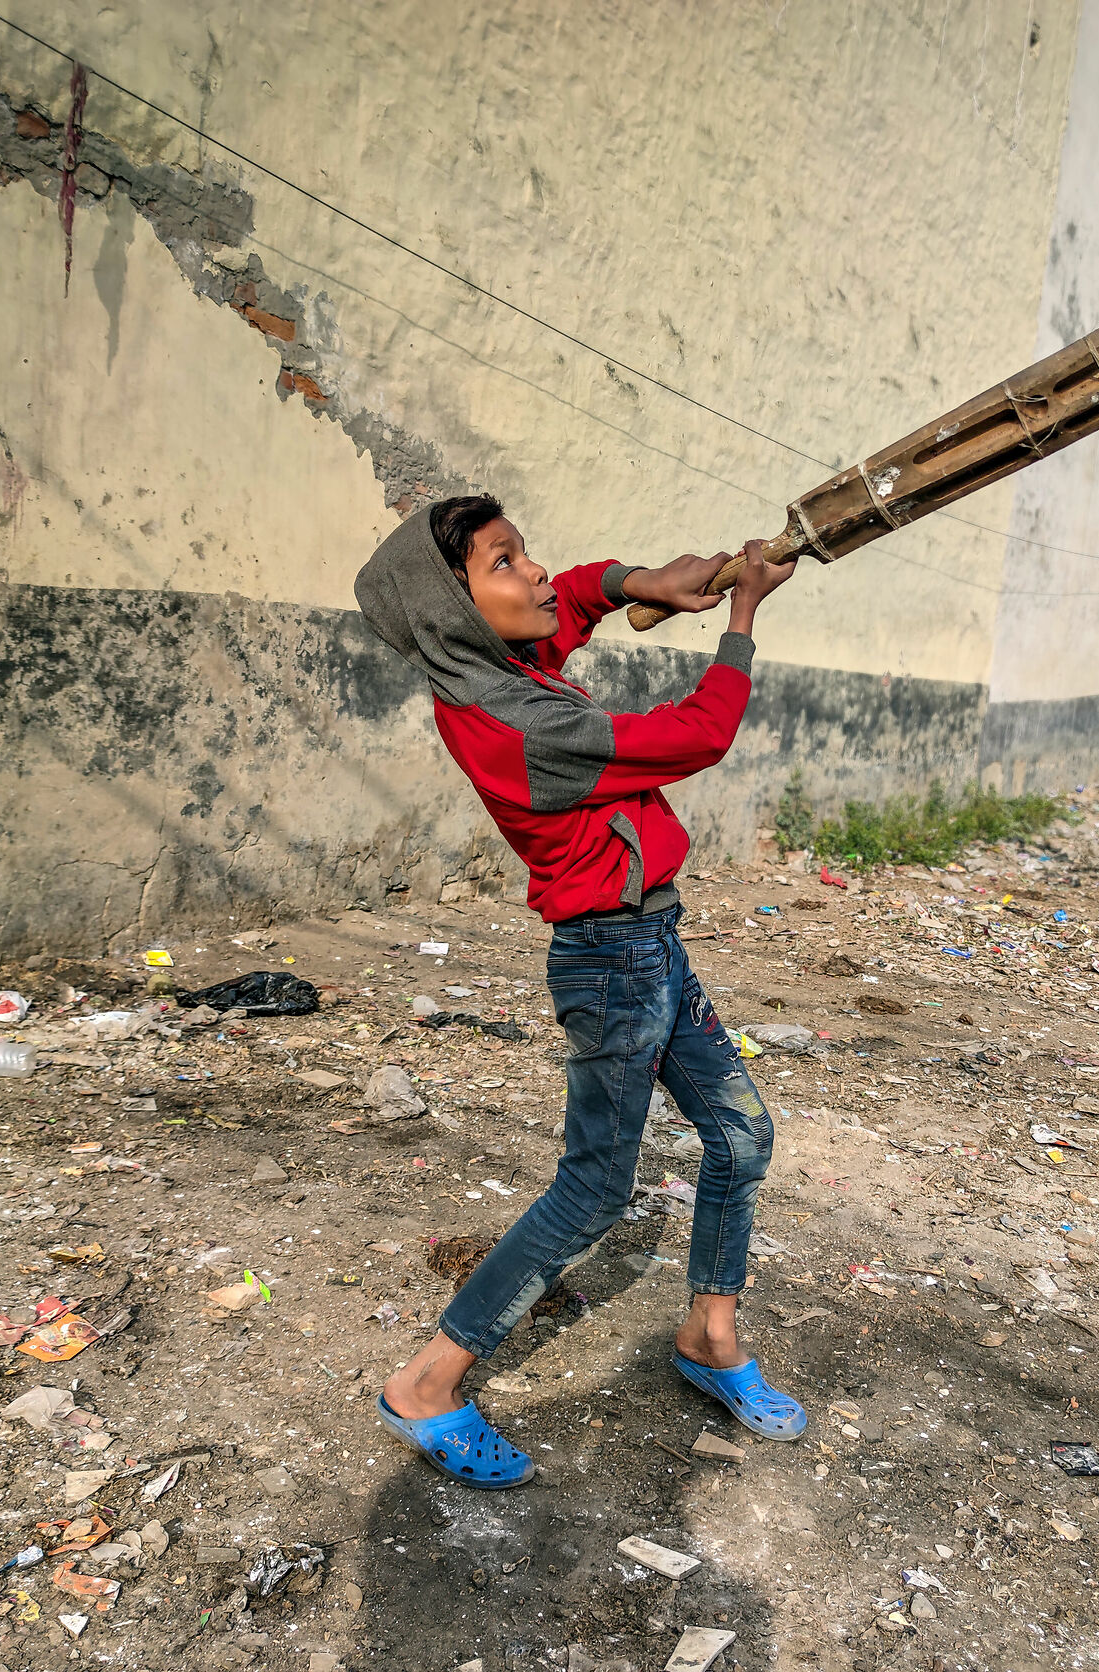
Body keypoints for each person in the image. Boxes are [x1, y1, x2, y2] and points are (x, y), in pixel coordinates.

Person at [352, 494, 806, 1488]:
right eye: (504, 563)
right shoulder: (521, 718)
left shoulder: (505, 667)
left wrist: (641, 583)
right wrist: (739, 621)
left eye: (524, 552)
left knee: (739, 1136)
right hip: (611, 962)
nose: (536, 574)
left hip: (651, 944)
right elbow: (693, 736)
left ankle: (709, 1335)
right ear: (452, 611)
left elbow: (571, 608)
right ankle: (427, 1380)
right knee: (595, 1187)